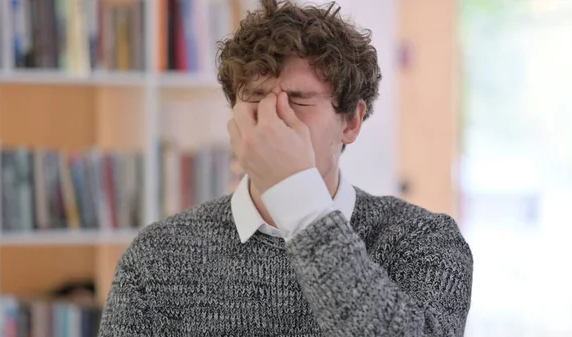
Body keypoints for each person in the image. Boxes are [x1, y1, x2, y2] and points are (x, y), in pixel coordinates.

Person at [98, 0, 473, 336]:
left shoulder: (423, 241)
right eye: (256, 98)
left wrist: (297, 198)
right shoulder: (158, 257)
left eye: (299, 100)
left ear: (351, 122)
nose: (274, 121)